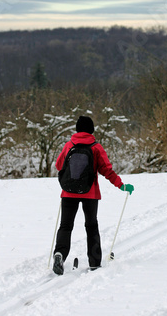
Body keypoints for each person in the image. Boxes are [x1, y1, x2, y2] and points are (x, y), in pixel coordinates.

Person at [53, 115, 134, 275]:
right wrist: (122, 185)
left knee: (66, 225)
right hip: (90, 194)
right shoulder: (96, 147)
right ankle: (95, 261)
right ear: (91, 130)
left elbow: (58, 165)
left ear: (77, 129)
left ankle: (60, 254)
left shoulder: (69, 145)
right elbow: (107, 171)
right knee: (91, 226)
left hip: (68, 193)